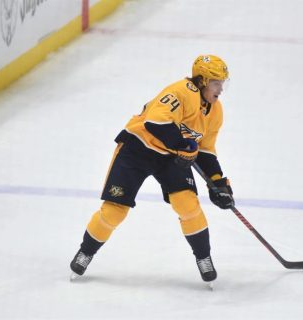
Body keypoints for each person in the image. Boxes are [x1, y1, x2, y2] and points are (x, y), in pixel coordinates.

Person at [70, 54, 235, 283]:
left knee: (187, 205)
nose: (221, 89)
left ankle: (203, 257)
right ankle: (86, 251)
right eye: (216, 83)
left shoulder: (215, 112)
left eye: (222, 83)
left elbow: (205, 150)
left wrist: (217, 181)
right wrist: (182, 145)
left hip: (170, 157)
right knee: (114, 211)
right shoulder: (182, 91)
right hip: (137, 149)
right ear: (203, 81)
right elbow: (155, 121)